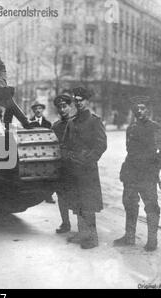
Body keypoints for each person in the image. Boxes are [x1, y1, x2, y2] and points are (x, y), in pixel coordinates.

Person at [114, 96, 161, 251]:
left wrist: (155, 167)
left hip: (147, 174)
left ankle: (152, 240)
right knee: (129, 204)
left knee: (151, 206)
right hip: (131, 173)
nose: (140, 111)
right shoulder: (130, 128)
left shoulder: (155, 127)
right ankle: (129, 236)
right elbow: (129, 151)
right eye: (137, 109)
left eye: (143, 108)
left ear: (148, 110)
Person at [64, 87, 107, 249]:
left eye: (81, 100)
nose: (79, 102)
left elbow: (101, 144)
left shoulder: (95, 121)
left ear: (88, 101)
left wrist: (88, 159)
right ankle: (82, 234)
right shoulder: (71, 122)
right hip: (74, 169)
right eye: (76, 100)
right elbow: (65, 144)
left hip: (88, 169)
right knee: (77, 203)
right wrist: (69, 157)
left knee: (88, 203)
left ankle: (91, 238)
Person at [51, 94, 74, 234]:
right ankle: (65, 223)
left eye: (64, 106)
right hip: (61, 165)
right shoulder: (56, 126)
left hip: (74, 164)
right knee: (61, 195)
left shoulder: (76, 123)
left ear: (70, 107)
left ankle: (82, 226)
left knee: (77, 194)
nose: (62, 109)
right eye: (59, 107)